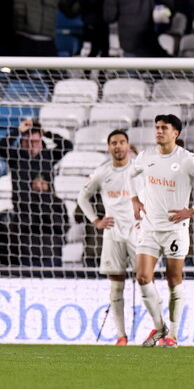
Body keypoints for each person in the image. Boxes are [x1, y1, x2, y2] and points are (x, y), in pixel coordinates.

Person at [130, 115, 194, 348]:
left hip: (175, 230)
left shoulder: (187, 160)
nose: (159, 131)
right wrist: (134, 199)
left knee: (173, 280)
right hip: (150, 227)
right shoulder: (146, 156)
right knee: (142, 277)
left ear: (176, 134)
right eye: (157, 127)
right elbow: (130, 175)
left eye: (164, 128)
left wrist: (192, 210)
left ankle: (173, 334)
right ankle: (159, 325)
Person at [77, 130, 138, 345]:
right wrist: (96, 220)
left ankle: (159, 330)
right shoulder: (102, 172)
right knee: (116, 285)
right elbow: (82, 197)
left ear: (128, 145)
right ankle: (121, 335)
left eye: (122, 142)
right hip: (112, 234)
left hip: (138, 233)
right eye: (114, 143)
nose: (118, 146)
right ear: (108, 147)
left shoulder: (140, 169)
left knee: (147, 280)